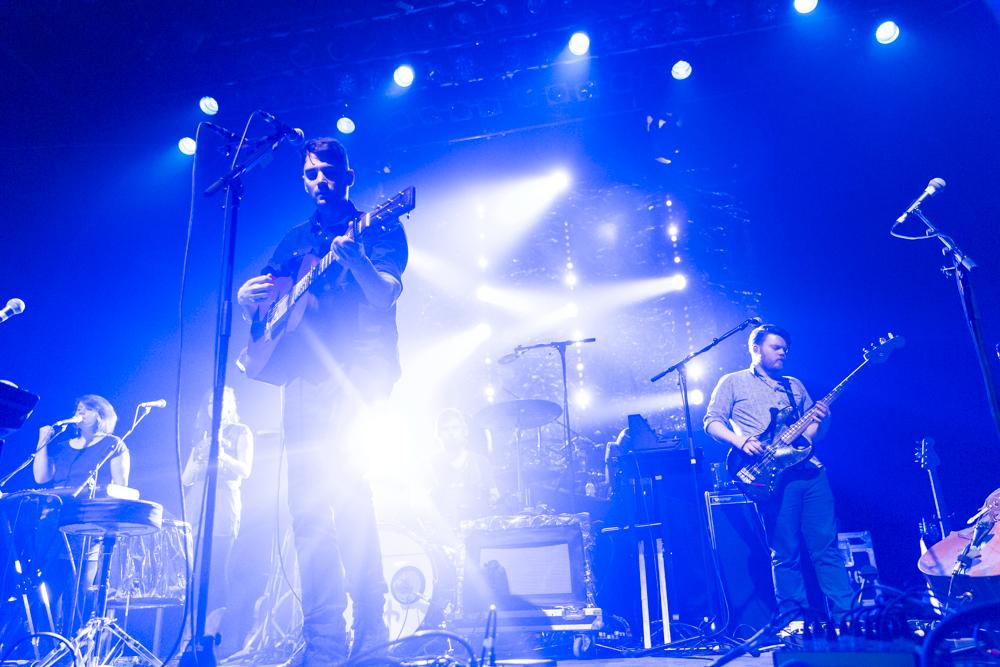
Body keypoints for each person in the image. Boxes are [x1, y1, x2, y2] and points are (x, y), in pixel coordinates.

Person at [236, 137, 407, 666]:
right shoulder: (293, 239)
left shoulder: (381, 225)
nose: (318, 181)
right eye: (310, 174)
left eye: (327, 171)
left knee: (351, 498)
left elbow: (385, 294)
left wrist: (354, 261)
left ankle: (372, 634)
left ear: (348, 176)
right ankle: (323, 641)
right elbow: (267, 306)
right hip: (302, 382)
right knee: (306, 511)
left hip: (355, 375)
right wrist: (247, 304)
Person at [703, 324, 855, 622]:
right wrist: (740, 440)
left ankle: (846, 620)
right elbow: (712, 422)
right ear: (756, 349)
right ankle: (794, 625)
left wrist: (822, 420)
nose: (783, 352)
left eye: (785, 348)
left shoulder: (793, 385)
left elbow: (811, 436)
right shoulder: (732, 382)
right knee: (785, 554)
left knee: (827, 549)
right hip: (771, 478)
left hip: (810, 474)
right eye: (776, 347)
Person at [31, 394, 129, 633]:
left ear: (101, 415)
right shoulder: (63, 446)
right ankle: (46, 648)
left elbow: (121, 488)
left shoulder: (113, 444)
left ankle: (75, 649)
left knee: (80, 594)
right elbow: (41, 478)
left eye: (87, 409)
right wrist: (42, 442)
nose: (80, 412)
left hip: (87, 526)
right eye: (78, 408)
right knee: (47, 593)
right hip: (53, 525)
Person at [181, 387, 253, 643]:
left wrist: (222, 456)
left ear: (232, 405)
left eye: (222, 402)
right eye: (211, 402)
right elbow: (186, 478)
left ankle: (211, 636)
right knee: (193, 570)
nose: (216, 406)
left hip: (222, 499)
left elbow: (246, 470)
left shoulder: (241, 431)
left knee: (217, 568)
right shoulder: (201, 434)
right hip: (196, 500)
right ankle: (189, 635)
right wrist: (198, 460)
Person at [414, 409, 501, 547]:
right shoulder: (426, 465)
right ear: (438, 434)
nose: (451, 433)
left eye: (455, 427)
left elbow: (495, 499)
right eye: (445, 429)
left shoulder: (480, 462)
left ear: (464, 430)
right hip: (438, 543)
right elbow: (416, 507)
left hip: (479, 539)